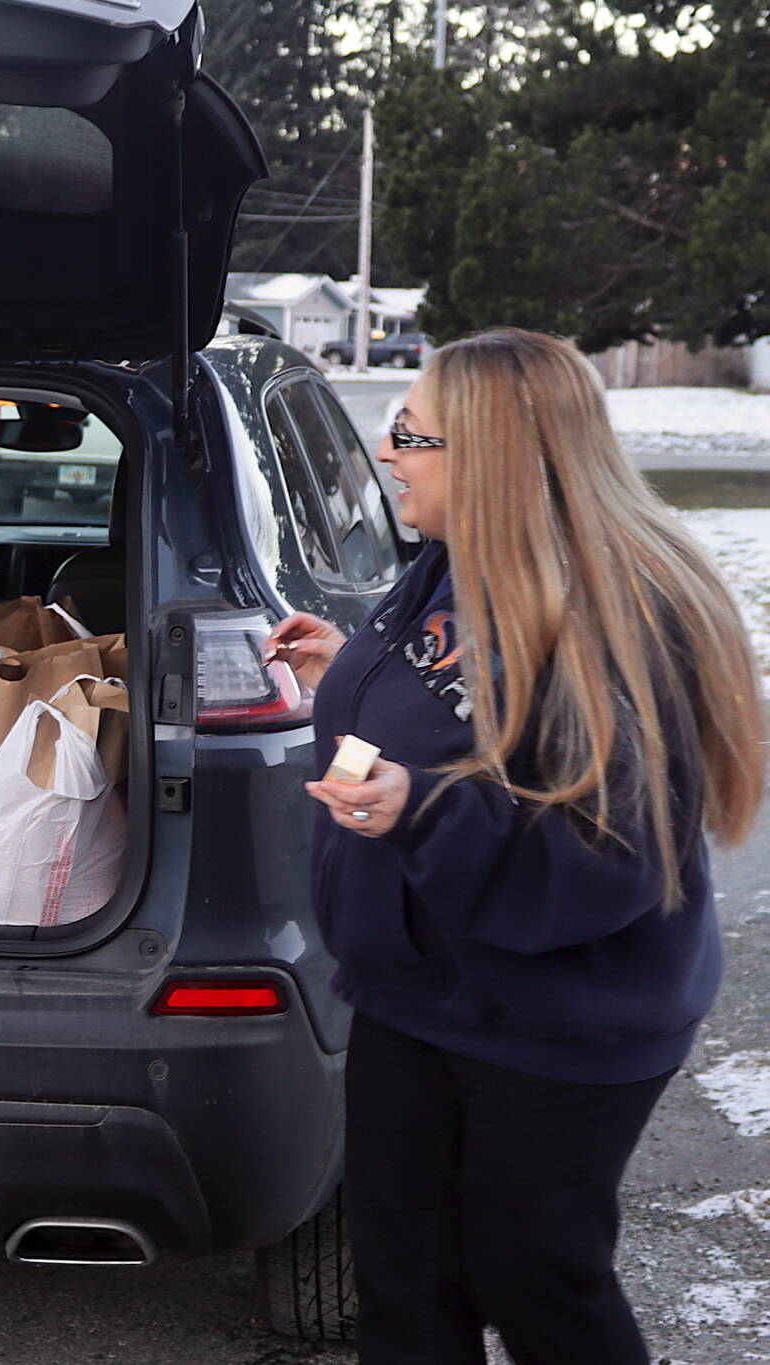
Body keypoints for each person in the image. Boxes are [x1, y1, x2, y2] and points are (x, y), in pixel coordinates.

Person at [265, 327, 763, 1363]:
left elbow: (603, 862)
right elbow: (425, 725)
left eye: (410, 434)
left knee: (534, 1282)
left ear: (490, 455)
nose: (387, 454)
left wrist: (418, 807)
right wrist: (347, 678)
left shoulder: (616, 615)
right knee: (401, 1287)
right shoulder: (444, 569)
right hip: (414, 995)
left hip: (557, 1026)